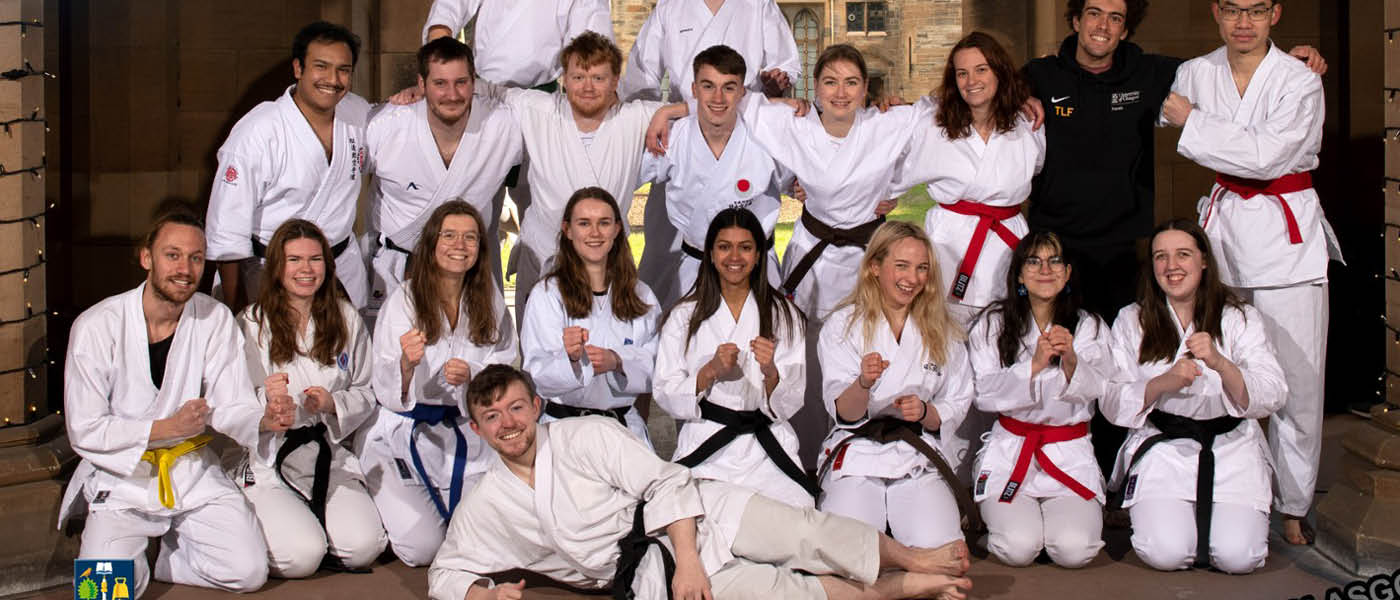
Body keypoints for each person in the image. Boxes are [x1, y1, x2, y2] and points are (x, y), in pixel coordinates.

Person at [1023, 0, 1325, 485]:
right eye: (1233, 10)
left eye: (1116, 17)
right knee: (1073, 358)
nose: (1104, 26)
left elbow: (1260, 130)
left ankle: (1280, 499)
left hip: (1180, 242)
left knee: (1291, 379)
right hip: (1084, 245)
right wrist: (1020, 98)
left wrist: (1293, 58)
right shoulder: (1041, 75)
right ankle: (1078, 477)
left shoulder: (1168, 73)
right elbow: (983, 88)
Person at [427, 364, 974, 600]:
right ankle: (905, 586)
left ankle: (913, 559)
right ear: (476, 428)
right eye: (493, 417)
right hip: (650, 574)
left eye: (517, 407)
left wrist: (688, 558)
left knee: (807, 533)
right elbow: (445, 570)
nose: (509, 424)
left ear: (538, 406)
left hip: (698, 514)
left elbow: (665, 483)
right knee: (784, 593)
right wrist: (480, 592)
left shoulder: (583, 436)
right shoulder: (488, 502)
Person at [1159, 0, 1340, 547]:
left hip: (1288, 244)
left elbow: (1264, 157)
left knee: (1297, 382)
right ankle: (1232, 488)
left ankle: (1292, 501)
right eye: (1233, 10)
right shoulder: (1197, 71)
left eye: (1257, 10)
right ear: (1216, 12)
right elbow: (1141, 102)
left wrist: (1193, 121)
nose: (1244, 22)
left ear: (1276, 14)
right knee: (1218, 368)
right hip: (1225, 236)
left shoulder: (1299, 79)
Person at [60, 211, 294, 598]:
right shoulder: (96, 325)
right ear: (146, 258)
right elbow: (84, 427)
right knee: (99, 594)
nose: (185, 269)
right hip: (122, 481)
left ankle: (161, 561)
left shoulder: (213, 318)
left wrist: (265, 419)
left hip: (190, 472)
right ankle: (129, 564)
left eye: (196, 258)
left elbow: (231, 402)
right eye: (173, 255)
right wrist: (166, 429)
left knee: (248, 571)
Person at [891, 32, 1046, 483]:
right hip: (951, 248)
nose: (972, 80)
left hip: (1007, 246)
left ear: (999, 71)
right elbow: (889, 168)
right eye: (961, 73)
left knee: (1005, 353)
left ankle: (999, 472)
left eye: (981, 69)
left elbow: (1035, 171)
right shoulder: (933, 124)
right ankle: (948, 475)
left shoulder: (1026, 124)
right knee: (950, 362)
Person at [1103, 220, 1286, 573]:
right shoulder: (1132, 319)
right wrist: (1164, 382)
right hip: (1165, 450)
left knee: (1239, 557)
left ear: (1204, 261)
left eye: (1183, 255)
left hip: (1231, 447)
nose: (1172, 266)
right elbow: (1111, 400)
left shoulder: (1239, 317)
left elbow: (1273, 390)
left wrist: (1220, 363)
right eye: (1161, 257)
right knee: (1165, 553)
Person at [358, 201, 518, 567]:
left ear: (480, 248)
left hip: (464, 431)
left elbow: (507, 365)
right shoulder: (403, 300)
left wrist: (474, 375)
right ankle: (371, 499)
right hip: (403, 431)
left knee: (489, 537)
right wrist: (405, 365)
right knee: (422, 549)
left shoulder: (488, 299)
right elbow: (383, 386)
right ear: (431, 243)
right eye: (449, 235)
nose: (459, 245)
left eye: (470, 237)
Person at [233, 219, 387, 577]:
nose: (306, 269)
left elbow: (366, 389)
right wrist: (268, 406)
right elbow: (234, 401)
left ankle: (311, 527)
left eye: (315, 259)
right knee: (301, 557)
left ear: (327, 265)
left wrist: (333, 404)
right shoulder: (251, 323)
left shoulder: (346, 318)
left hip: (326, 454)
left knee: (363, 547)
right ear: (276, 267)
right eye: (295, 260)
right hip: (270, 458)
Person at [621, 0, 799, 307]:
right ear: (694, 87)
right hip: (686, 138)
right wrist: (664, 115)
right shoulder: (670, 8)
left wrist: (776, 86)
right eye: (706, 86)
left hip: (747, 133)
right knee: (661, 271)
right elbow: (639, 81)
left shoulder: (758, 6)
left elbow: (786, 66)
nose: (718, 94)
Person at [477, 32, 665, 321]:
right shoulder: (537, 109)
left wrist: (671, 111)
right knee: (536, 350)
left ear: (616, 81)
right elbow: (479, 90)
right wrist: (417, 91)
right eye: (578, 77)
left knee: (607, 349)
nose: (587, 88)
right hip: (542, 253)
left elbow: (705, 109)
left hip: (607, 258)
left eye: (599, 78)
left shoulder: (636, 117)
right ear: (564, 79)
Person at [817, 221, 977, 551]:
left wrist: (925, 411)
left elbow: (957, 400)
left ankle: (910, 566)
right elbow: (843, 413)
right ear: (874, 267)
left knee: (943, 550)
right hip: (858, 452)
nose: (912, 279)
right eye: (901, 266)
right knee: (848, 553)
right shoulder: (842, 325)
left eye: (922, 269)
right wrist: (863, 383)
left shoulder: (943, 330)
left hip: (915, 454)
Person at [966, 231, 1111, 568]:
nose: (1045, 269)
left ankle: (1048, 530)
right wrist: (1032, 366)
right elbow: (984, 394)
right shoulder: (993, 324)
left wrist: (1072, 358)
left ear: (1068, 272)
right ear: (1018, 274)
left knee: (1076, 552)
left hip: (1068, 455)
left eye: (1054, 260)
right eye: (1033, 261)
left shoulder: (1088, 326)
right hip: (1011, 453)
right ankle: (1015, 530)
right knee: (1018, 549)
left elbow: (1103, 388)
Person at [206, 21, 373, 312]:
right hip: (270, 271)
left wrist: (408, 100)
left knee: (349, 352)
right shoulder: (259, 130)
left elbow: (401, 132)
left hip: (341, 266)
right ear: (298, 68)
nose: (333, 79)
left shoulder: (358, 113)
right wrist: (236, 310)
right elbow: (227, 232)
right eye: (321, 66)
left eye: (343, 70)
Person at [654, 208, 813, 509]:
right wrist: (708, 372)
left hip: (766, 445)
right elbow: (664, 389)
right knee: (688, 518)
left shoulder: (785, 315)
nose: (734, 257)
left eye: (745, 247)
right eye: (724, 247)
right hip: (707, 441)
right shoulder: (684, 316)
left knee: (798, 513)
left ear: (757, 255)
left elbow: (792, 399)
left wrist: (771, 372)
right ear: (710, 254)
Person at [365, 37, 523, 309]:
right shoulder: (385, 126)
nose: (452, 94)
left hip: (467, 269)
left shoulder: (503, 125)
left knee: (478, 346)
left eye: (461, 82)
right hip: (396, 269)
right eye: (440, 83)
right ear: (421, 84)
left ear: (474, 83)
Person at [521, 187, 660, 443]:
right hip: (564, 429)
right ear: (568, 230)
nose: (595, 233)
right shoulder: (547, 294)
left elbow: (658, 364)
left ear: (617, 229)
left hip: (623, 429)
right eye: (584, 223)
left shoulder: (641, 294)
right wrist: (572, 360)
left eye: (604, 223)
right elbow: (537, 370)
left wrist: (617, 361)